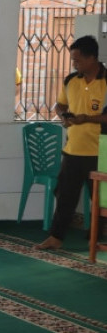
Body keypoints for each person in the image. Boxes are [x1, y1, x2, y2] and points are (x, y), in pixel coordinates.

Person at [36, 36, 107, 250]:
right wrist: (63, 115)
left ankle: (97, 238)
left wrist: (87, 118)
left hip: (100, 151)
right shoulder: (70, 80)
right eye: (72, 60)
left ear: (92, 57)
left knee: (101, 199)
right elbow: (60, 104)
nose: (74, 64)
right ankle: (55, 238)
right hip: (73, 150)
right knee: (65, 196)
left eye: (77, 60)